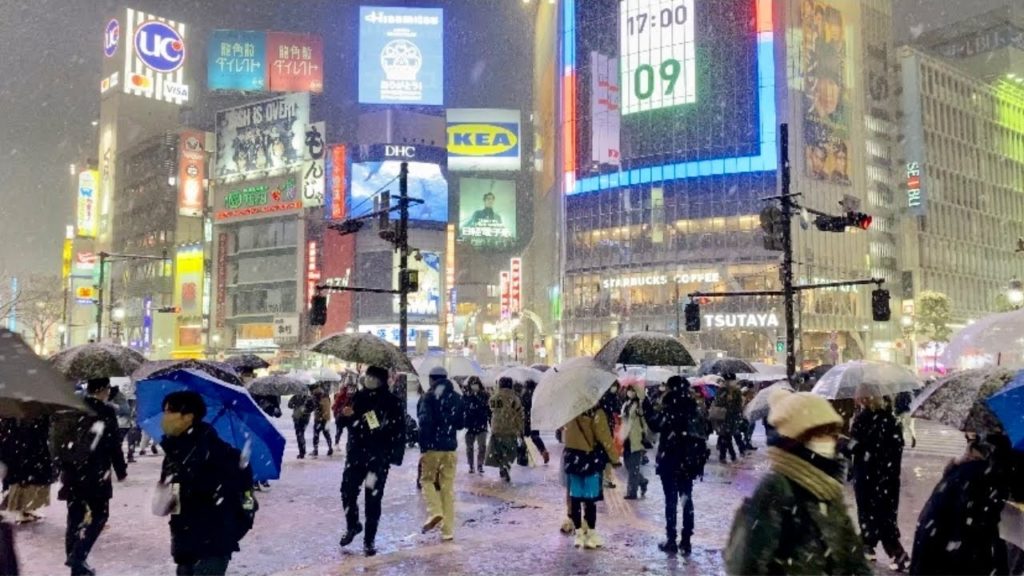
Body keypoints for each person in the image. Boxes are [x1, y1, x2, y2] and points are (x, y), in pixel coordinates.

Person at [725, 389, 870, 575]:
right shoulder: (776, 488)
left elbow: (853, 557)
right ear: (800, 437)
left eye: (833, 432)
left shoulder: (828, 488)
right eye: (821, 432)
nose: (830, 440)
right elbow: (750, 565)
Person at [156, 391, 255, 576]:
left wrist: (237, 526)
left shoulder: (222, 455)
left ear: (188, 417)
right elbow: (166, 503)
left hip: (213, 543)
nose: (165, 418)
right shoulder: (173, 454)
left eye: (169, 412)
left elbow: (247, 496)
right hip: (184, 544)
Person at [909, 432, 1012, 575]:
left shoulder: (960, 471)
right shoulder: (984, 476)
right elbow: (980, 524)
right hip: (954, 552)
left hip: (934, 548)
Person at [56, 378, 128, 576]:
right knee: (99, 515)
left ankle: (76, 564)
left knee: (74, 518)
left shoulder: (71, 409)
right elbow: (114, 443)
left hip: (72, 472)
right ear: (103, 390)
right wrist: (121, 470)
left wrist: (61, 464)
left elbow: (57, 439)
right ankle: (78, 556)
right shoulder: (106, 411)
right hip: (96, 471)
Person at [336, 366, 406, 557]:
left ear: (382, 381)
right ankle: (353, 525)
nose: (370, 381)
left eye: (374, 378)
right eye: (368, 377)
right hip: (355, 456)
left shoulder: (392, 402)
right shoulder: (357, 397)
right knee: (347, 492)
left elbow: (398, 431)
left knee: (372, 499)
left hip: (378, 458)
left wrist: (379, 429)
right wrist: (345, 415)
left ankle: (369, 540)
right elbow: (341, 423)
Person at [645, 376, 707, 556]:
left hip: (670, 460)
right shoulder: (694, 407)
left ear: (671, 388)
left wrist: (647, 408)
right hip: (688, 462)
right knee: (686, 499)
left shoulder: (668, 406)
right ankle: (686, 540)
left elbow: (655, 426)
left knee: (670, 500)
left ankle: (671, 539)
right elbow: (703, 430)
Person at [849, 389, 909, 571]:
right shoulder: (891, 420)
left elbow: (857, 449)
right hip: (888, 479)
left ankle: (883, 550)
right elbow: (896, 449)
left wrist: (844, 443)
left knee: (870, 514)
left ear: (866, 398)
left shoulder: (862, 420)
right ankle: (881, 549)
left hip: (867, 477)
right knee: (885, 516)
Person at [562, 400, 620, 550]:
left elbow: (564, 435)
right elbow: (604, 438)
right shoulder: (596, 412)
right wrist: (614, 458)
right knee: (590, 498)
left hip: (572, 458)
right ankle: (591, 535)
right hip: (589, 459)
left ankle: (579, 534)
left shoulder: (569, 410)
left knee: (575, 497)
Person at [418, 367, 464, 542]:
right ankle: (448, 531)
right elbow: (460, 424)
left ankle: (435, 511)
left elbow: (424, 423)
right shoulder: (457, 398)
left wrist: (424, 447)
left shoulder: (428, 397)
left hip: (432, 447)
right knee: (447, 488)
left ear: (431, 380)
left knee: (427, 480)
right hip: (450, 448)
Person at [0, 416, 54, 524]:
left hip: (19, 450)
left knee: (20, 479)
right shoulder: (31, 416)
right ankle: (23, 510)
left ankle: (24, 509)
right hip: (27, 451)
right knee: (25, 480)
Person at [486, 377, 524, 482]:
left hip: (497, 429)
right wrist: (520, 429)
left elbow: (491, 408)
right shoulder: (515, 399)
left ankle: (502, 467)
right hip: (510, 429)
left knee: (499, 451)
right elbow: (519, 415)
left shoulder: (494, 398)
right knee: (510, 451)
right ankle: (506, 466)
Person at [619, 384, 649, 500]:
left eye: (632, 390)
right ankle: (643, 481)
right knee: (628, 466)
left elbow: (643, 421)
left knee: (634, 468)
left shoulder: (639, 405)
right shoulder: (626, 404)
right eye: (629, 390)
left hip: (636, 439)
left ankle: (632, 492)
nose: (629, 392)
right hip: (627, 439)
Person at [712, 375, 746, 463]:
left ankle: (729, 455)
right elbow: (717, 403)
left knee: (728, 437)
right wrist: (726, 400)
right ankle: (728, 455)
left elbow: (739, 406)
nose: (730, 382)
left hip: (733, 418)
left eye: (731, 380)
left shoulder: (737, 391)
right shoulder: (721, 390)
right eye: (728, 380)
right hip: (723, 418)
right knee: (725, 437)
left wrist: (733, 403)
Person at [462, 376, 490, 474]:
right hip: (470, 424)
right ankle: (471, 465)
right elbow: (463, 408)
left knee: (482, 446)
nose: (474, 386)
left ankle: (480, 464)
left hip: (481, 423)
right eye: (473, 384)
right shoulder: (466, 395)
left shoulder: (485, 395)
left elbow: (488, 409)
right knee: (469, 447)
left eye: (476, 384)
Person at [599, 382, 622, 488]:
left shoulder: (614, 398)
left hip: (608, 428)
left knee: (606, 453)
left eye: (616, 387)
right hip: (603, 428)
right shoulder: (604, 398)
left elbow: (618, 409)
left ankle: (606, 478)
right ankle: (604, 477)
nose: (614, 388)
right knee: (605, 453)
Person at [521, 380, 550, 464]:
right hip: (535, 418)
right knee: (535, 436)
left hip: (526, 419)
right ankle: (543, 451)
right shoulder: (536, 395)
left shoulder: (524, 395)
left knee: (526, 438)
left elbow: (522, 407)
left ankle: (525, 457)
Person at [109, 386, 132, 463]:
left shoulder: (118, 397)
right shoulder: (118, 397)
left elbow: (125, 410)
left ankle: (119, 459)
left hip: (122, 424)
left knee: (117, 443)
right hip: (122, 424)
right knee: (118, 443)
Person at [311, 384, 334, 457]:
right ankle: (330, 448)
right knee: (326, 434)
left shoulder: (318, 397)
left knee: (316, 435)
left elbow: (320, 408)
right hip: (326, 419)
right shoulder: (326, 397)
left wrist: (320, 416)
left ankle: (315, 450)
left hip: (320, 419)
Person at [288, 391, 313, 459]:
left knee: (300, 434)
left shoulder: (307, 398)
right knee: (300, 434)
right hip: (299, 418)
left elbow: (312, 408)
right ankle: (302, 451)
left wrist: (305, 410)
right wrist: (294, 405)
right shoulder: (297, 397)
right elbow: (289, 405)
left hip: (302, 419)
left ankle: (302, 451)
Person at [332, 380, 357, 445]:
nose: (351, 390)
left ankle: (346, 443)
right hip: (343, 417)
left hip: (348, 417)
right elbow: (336, 405)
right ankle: (338, 443)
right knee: (341, 431)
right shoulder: (343, 395)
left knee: (349, 431)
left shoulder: (359, 395)